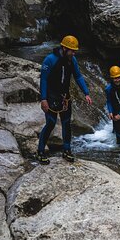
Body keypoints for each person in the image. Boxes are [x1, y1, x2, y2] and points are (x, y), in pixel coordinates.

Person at [37, 35, 92, 164]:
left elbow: (78, 76)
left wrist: (86, 93)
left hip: (64, 96)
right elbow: (43, 79)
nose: (74, 53)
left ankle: (66, 150)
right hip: (51, 96)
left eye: (75, 51)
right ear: (64, 48)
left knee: (66, 123)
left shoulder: (72, 60)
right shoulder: (50, 60)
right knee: (51, 123)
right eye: (72, 50)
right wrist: (43, 99)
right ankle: (40, 151)